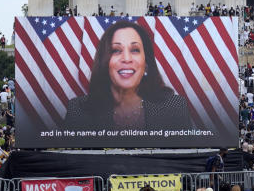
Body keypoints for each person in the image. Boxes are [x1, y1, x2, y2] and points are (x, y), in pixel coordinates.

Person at [61, 20, 192, 129]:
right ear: (105, 62)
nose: (127, 58)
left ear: (146, 62)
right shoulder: (78, 110)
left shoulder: (175, 107)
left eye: (135, 50)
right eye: (116, 50)